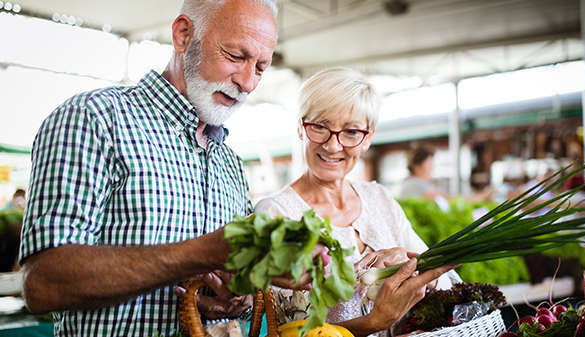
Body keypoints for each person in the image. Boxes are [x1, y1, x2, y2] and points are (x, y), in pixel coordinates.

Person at [18, 1, 316, 335]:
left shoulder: (229, 162)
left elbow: (235, 288)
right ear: (183, 35)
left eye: (261, 67)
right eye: (235, 56)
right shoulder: (94, 118)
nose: (248, 82)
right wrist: (202, 253)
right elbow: (43, 284)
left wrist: (237, 297)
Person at [254, 67, 460, 337]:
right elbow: (290, 332)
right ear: (300, 128)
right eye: (319, 127)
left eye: (351, 132)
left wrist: (408, 265)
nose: (333, 145)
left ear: (368, 138)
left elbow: (446, 283)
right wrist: (373, 323)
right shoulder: (276, 214)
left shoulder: (380, 198)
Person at [398, 146, 495, 211]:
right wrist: (483, 195)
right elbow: (450, 199)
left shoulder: (418, 184)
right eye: (429, 165)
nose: (432, 168)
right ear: (417, 167)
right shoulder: (413, 185)